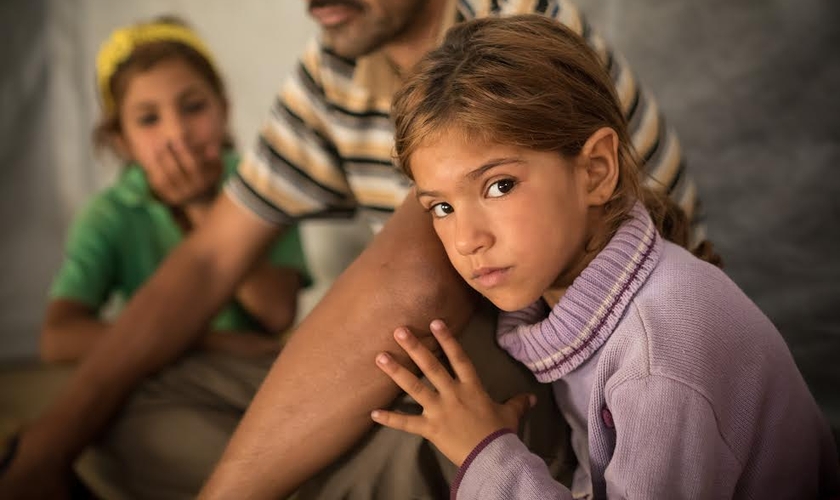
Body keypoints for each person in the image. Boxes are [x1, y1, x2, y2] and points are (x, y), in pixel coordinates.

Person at [0, 1, 709, 499]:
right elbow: (213, 258)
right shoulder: (334, 66)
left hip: (566, 368)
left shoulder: (516, 25)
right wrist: (48, 448)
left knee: (437, 372)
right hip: (431, 338)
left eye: (493, 186)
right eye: (442, 203)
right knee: (131, 403)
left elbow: (420, 280)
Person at [370, 15, 840, 499]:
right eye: (442, 207)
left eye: (500, 185)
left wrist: (486, 452)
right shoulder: (570, 306)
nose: (467, 240)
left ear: (596, 170)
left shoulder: (657, 358)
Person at [31, 16, 311, 498]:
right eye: (148, 119)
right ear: (120, 140)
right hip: (171, 375)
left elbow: (275, 312)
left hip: (254, 376)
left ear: (223, 110)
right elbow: (58, 339)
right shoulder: (111, 215)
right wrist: (204, 341)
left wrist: (209, 209)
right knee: (137, 433)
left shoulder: (262, 186)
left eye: (193, 107)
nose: (177, 132)